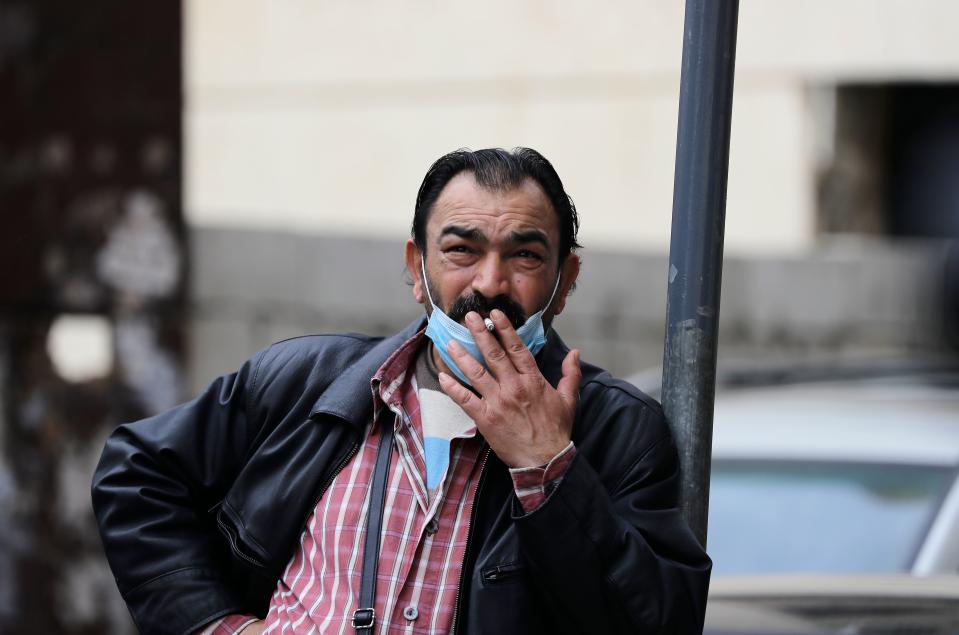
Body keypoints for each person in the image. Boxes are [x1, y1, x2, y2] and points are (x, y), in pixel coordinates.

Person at [92, 147, 711, 635]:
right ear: (417, 267)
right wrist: (216, 624)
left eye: (524, 255)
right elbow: (136, 473)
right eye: (461, 250)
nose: (489, 283)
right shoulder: (307, 380)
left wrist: (546, 466)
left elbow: (654, 621)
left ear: (565, 279)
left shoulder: (619, 430)